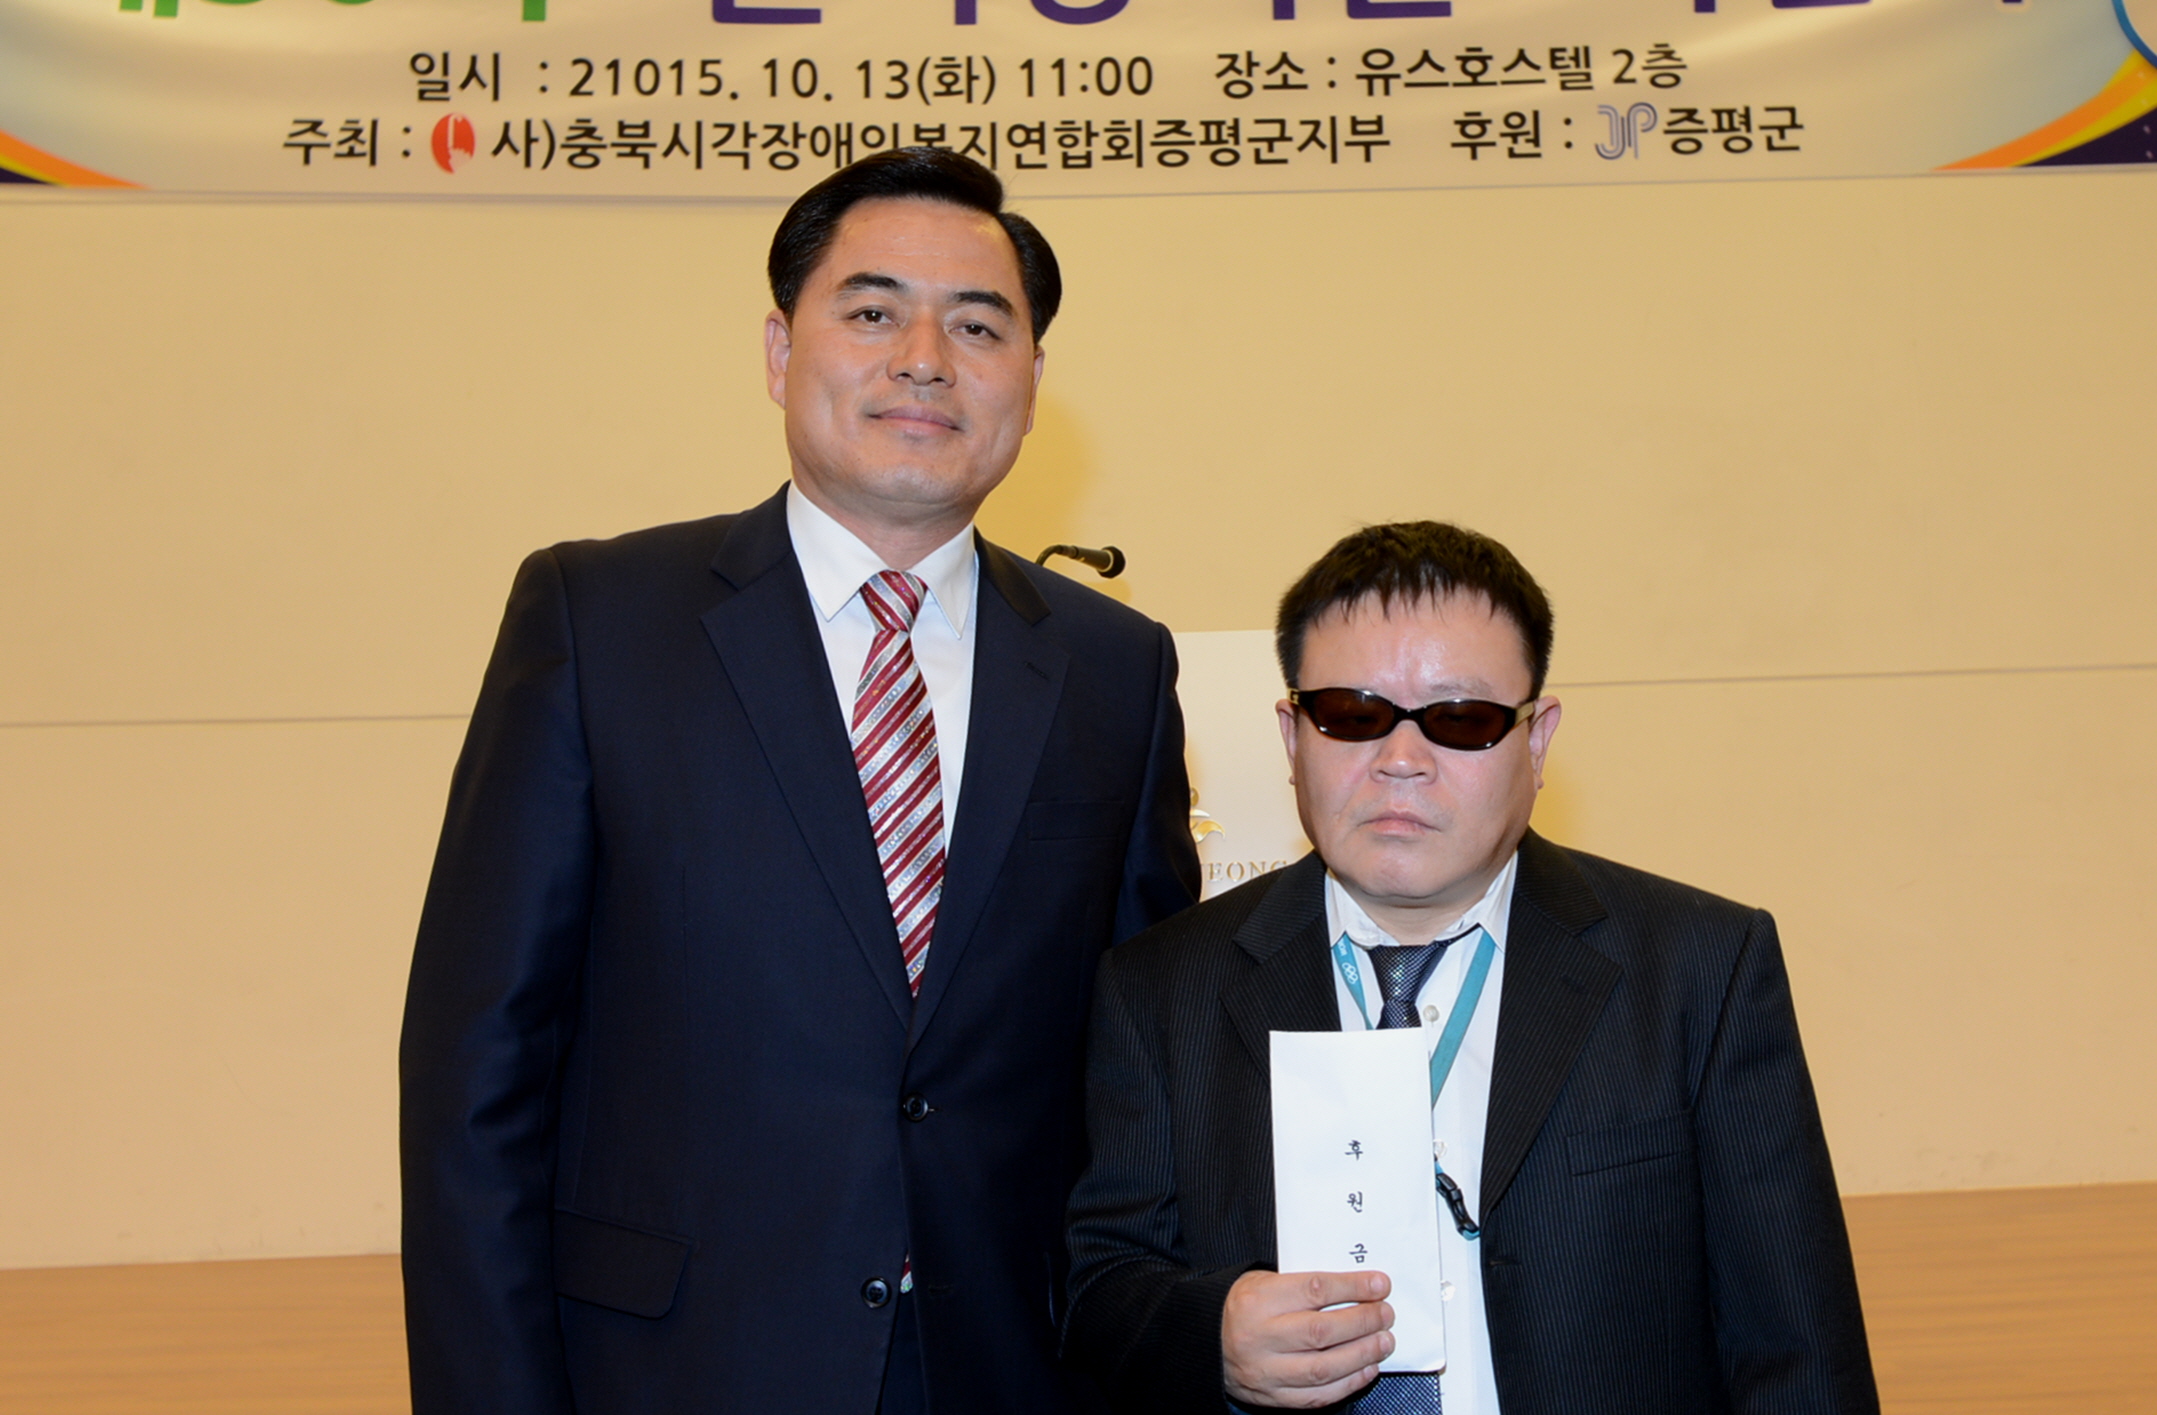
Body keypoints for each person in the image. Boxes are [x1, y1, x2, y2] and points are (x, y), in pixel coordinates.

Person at [401, 147, 1200, 1415]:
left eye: (978, 325)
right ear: (781, 351)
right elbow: (478, 1068)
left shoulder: (1116, 668)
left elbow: (1150, 1068)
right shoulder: (600, 621)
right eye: (872, 312)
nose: (924, 359)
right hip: (671, 1366)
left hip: (1010, 1364)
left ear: (1033, 380)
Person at [1063, 521, 1877, 1415]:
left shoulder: (1698, 968)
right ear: (1292, 737)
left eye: (1460, 720)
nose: (1400, 761)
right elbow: (1102, 1285)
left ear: (1536, 740)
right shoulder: (1160, 988)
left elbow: (1798, 1349)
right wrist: (1210, 1334)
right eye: (1353, 715)